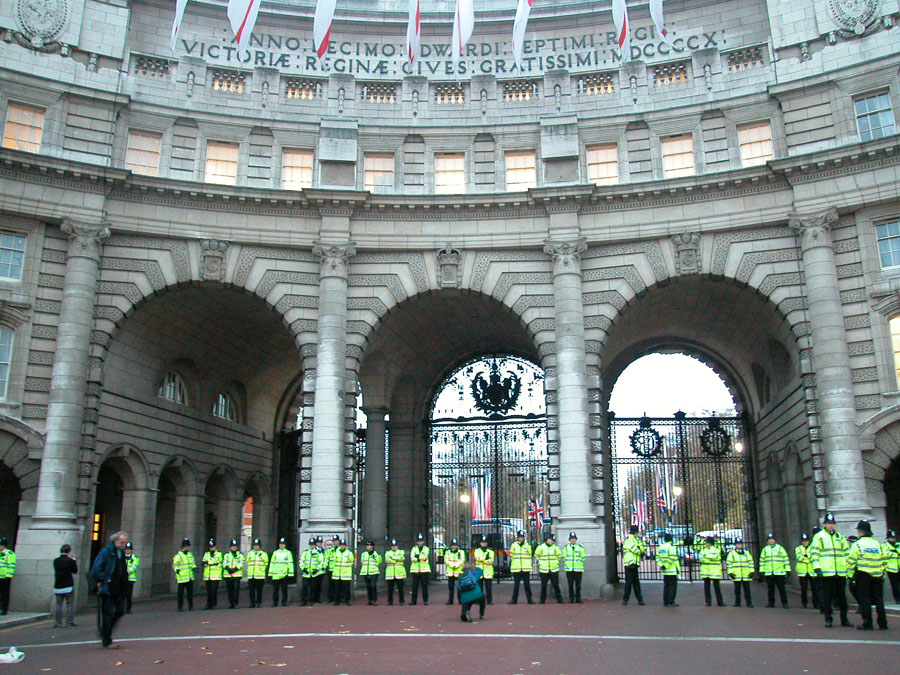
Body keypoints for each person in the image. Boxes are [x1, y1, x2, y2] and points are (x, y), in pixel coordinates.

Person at [810, 512, 851, 628]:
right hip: (826, 571)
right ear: (825, 524)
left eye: (832, 523)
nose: (831, 526)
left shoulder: (840, 537)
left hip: (840, 571)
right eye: (828, 523)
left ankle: (844, 618)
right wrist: (817, 568)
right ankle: (828, 618)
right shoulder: (819, 536)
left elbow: (846, 552)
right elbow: (814, 553)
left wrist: (847, 566)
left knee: (842, 597)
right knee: (827, 597)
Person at [89, 531, 129, 649]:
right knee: (107, 614)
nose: (124, 544)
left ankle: (105, 631)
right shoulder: (106, 552)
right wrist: (106, 579)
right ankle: (106, 640)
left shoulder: (120, 553)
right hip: (108, 587)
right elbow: (95, 570)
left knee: (120, 610)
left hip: (119, 587)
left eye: (125, 542)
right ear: (115, 540)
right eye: (122, 542)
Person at [848, 519, 888, 631]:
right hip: (878, 575)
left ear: (861, 532)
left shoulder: (857, 545)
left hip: (864, 575)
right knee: (879, 600)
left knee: (864, 599)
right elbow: (885, 559)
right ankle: (883, 623)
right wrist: (882, 573)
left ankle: (868, 623)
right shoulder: (878, 544)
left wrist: (851, 576)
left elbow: (851, 561)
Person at [759, 532, 790, 608]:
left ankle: (784, 603)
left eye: (772, 539)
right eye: (769, 540)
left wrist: (788, 570)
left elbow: (786, 559)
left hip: (779, 572)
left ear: (775, 540)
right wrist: (762, 570)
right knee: (770, 589)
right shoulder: (765, 549)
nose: (771, 541)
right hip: (769, 572)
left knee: (781, 589)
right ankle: (771, 602)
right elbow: (762, 560)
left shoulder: (780, 548)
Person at [53, 544, 78, 628]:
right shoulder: (70, 561)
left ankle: (58, 622)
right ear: (69, 551)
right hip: (68, 585)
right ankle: (69, 622)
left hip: (58, 585)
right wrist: (74, 561)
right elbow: (75, 571)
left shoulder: (56, 560)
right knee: (69, 604)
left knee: (58, 605)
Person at [534, 532, 564, 604]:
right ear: (547, 539)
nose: (552, 542)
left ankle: (559, 599)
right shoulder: (541, 547)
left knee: (556, 585)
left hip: (554, 569)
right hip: (544, 569)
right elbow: (536, 555)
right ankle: (542, 600)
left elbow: (559, 556)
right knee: (543, 586)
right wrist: (539, 563)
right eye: (551, 540)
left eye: (553, 541)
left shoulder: (555, 548)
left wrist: (556, 562)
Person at [726, 538, 754, 608]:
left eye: (740, 544)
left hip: (746, 574)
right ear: (735, 545)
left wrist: (751, 571)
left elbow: (750, 562)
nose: (739, 545)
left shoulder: (746, 553)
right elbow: (729, 563)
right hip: (736, 575)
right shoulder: (731, 553)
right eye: (738, 544)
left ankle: (749, 602)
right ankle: (737, 603)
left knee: (747, 590)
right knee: (737, 590)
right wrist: (730, 572)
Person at [622, 525, 646, 606]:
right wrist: (640, 550)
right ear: (635, 532)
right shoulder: (630, 539)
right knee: (630, 584)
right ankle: (626, 599)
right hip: (629, 564)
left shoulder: (636, 540)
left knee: (635, 583)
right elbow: (636, 549)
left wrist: (640, 549)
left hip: (634, 564)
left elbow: (643, 547)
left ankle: (639, 600)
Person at [509, 529, 534, 605]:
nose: (521, 538)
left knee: (527, 585)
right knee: (516, 585)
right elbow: (511, 554)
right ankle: (514, 600)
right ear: (517, 538)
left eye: (522, 537)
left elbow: (530, 555)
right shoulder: (513, 545)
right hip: (516, 568)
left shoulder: (528, 545)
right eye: (519, 537)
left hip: (525, 568)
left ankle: (530, 599)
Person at [698, 536, 725, 607]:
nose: (706, 544)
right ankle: (708, 602)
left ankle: (720, 602)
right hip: (706, 572)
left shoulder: (716, 549)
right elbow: (700, 558)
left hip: (714, 571)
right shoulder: (703, 549)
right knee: (707, 588)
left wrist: (706, 557)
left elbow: (716, 557)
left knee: (717, 588)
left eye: (707, 542)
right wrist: (710, 557)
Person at [656, 532, 680, 607]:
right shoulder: (672, 547)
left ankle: (665, 601)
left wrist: (662, 566)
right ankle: (671, 601)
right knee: (672, 587)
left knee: (666, 586)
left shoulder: (660, 547)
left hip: (665, 571)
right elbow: (672, 558)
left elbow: (657, 558)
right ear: (671, 539)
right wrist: (666, 566)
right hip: (672, 570)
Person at [795, 533, 819, 609]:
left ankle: (816, 603)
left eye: (806, 541)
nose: (805, 542)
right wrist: (808, 558)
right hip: (802, 572)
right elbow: (799, 557)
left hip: (812, 571)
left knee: (814, 589)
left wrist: (806, 557)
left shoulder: (812, 548)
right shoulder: (798, 548)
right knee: (803, 589)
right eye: (804, 541)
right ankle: (804, 603)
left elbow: (814, 557)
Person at [299, 537, 325, 606]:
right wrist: (303, 568)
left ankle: (311, 601)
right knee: (305, 587)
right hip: (306, 574)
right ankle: (303, 601)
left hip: (314, 574)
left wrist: (317, 569)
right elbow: (301, 561)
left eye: (313, 545)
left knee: (313, 588)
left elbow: (321, 562)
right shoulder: (305, 552)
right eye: (311, 545)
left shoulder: (318, 553)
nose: (312, 546)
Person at [173, 538, 197, 612]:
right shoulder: (178, 556)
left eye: (188, 546)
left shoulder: (190, 554)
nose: (188, 547)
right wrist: (176, 570)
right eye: (186, 546)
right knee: (180, 594)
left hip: (189, 577)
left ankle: (191, 606)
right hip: (182, 577)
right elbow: (175, 565)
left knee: (190, 593)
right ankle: (180, 607)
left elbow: (192, 563)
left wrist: (195, 568)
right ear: (183, 547)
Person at [269, 537, 293, 607]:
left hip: (284, 574)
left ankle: (284, 601)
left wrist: (290, 573)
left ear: (285, 545)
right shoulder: (275, 553)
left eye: (283, 544)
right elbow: (272, 563)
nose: (281, 545)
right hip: (275, 574)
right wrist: (270, 573)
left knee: (284, 589)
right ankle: (275, 602)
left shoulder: (288, 553)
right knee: (275, 590)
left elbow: (290, 563)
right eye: (280, 544)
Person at [562, 532, 585, 604]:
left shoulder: (580, 548)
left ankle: (578, 598)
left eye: (574, 539)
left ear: (576, 539)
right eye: (571, 539)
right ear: (569, 540)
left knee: (578, 585)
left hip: (578, 569)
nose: (573, 540)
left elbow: (583, 557)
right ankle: (571, 598)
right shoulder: (566, 548)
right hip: (569, 569)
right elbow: (564, 557)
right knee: (570, 584)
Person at [245, 538, 268, 608]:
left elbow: (266, 563)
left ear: (260, 546)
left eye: (257, 545)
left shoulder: (263, 554)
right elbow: (247, 562)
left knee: (259, 590)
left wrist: (261, 570)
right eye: (255, 545)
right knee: (251, 590)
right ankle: (252, 602)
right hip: (251, 575)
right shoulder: (250, 553)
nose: (256, 547)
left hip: (260, 575)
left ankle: (258, 602)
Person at [409, 533, 431, 605]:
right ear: (417, 542)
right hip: (415, 570)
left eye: (421, 541)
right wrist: (419, 558)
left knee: (424, 586)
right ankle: (413, 601)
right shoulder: (413, 548)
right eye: (419, 541)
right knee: (414, 586)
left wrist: (417, 557)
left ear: (423, 542)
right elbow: (412, 558)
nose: (420, 542)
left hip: (424, 570)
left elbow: (425, 556)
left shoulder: (426, 549)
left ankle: (425, 600)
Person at [202, 539, 223, 610]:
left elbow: (217, 561)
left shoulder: (219, 554)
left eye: (213, 547)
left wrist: (208, 562)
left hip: (216, 575)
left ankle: (214, 604)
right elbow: (203, 561)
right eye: (210, 547)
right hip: (207, 575)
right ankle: (209, 604)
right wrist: (209, 562)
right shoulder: (206, 554)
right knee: (208, 591)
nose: (211, 548)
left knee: (214, 590)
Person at [473, 535, 495, 605]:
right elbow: (477, 558)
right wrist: (485, 559)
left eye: (485, 542)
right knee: (479, 587)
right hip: (479, 571)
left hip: (488, 572)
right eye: (482, 542)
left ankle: (489, 600)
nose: (484, 544)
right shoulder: (477, 551)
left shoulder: (490, 551)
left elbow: (491, 560)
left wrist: (482, 560)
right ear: (480, 543)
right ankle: (479, 600)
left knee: (488, 588)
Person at [359, 541, 382, 606]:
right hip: (365, 572)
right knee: (368, 586)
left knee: (373, 586)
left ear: (372, 546)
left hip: (374, 572)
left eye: (369, 545)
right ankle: (370, 600)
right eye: (367, 545)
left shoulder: (376, 554)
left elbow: (379, 562)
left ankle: (375, 600)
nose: (367, 547)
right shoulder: (363, 554)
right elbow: (362, 562)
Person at [332, 538, 354, 606]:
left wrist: (346, 566)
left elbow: (352, 561)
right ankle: (337, 601)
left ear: (346, 546)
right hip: (337, 573)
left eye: (344, 545)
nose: (342, 546)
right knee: (337, 589)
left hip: (346, 574)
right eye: (341, 545)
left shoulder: (349, 553)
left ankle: (347, 600)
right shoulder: (336, 552)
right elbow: (334, 561)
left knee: (346, 589)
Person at [223, 539, 244, 609]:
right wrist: (228, 568)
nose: (234, 547)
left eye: (235, 546)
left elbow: (241, 563)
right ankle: (231, 603)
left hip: (236, 575)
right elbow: (224, 563)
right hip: (228, 575)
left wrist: (235, 569)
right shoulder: (226, 555)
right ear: (230, 547)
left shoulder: (240, 555)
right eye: (232, 546)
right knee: (229, 590)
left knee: (236, 589)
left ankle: (235, 602)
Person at [385, 538, 407, 605]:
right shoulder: (387, 552)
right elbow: (387, 559)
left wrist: (392, 558)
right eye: (393, 546)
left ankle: (401, 601)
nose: (394, 547)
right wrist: (396, 559)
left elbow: (402, 558)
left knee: (400, 588)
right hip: (390, 573)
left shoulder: (401, 551)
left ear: (397, 546)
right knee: (390, 589)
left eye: (395, 546)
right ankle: (390, 601)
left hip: (399, 572)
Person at [444, 539, 465, 605]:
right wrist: (451, 565)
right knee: (450, 587)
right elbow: (446, 560)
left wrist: (456, 565)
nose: (454, 547)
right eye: (453, 545)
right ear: (451, 546)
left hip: (458, 571)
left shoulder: (461, 552)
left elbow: (462, 559)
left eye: (455, 545)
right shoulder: (447, 552)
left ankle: (460, 600)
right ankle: (450, 600)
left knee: (459, 587)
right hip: (450, 571)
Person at [0, 537, 15, 616]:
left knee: (4, 594)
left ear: (3, 546)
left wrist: (8, 576)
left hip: (4, 578)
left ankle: (3, 609)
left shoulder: (10, 554)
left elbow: (11, 566)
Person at [123, 542, 139, 614]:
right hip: (122, 578)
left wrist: (127, 572)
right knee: (122, 594)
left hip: (131, 578)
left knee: (129, 595)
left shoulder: (135, 557)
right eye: (126, 549)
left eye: (129, 549)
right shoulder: (122, 557)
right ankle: (122, 608)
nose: (128, 550)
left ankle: (128, 609)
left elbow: (135, 566)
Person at [884, 529, 899, 604]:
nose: (893, 539)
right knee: (895, 585)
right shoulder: (885, 545)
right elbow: (886, 554)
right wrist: (895, 553)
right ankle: (897, 599)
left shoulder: (898, 544)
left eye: (894, 537)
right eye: (891, 538)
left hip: (899, 567)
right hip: (891, 569)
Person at [325, 534, 341, 604]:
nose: (335, 542)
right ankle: (330, 598)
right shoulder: (330, 549)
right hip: (331, 569)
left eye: (336, 541)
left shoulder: (341, 549)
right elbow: (326, 558)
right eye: (334, 541)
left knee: (338, 585)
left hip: (339, 569)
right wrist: (325, 566)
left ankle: (338, 598)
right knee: (331, 585)